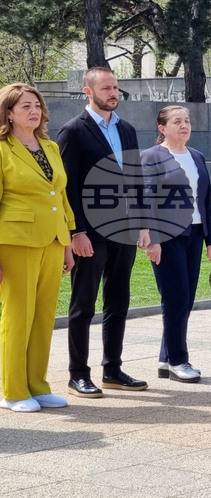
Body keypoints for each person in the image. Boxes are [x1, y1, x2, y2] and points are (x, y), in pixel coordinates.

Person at [57, 66, 147, 398]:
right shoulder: (73, 131)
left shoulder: (127, 129)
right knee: (83, 304)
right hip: (90, 233)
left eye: (116, 88)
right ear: (88, 91)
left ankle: (113, 368)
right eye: (107, 88)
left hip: (123, 229)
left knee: (118, 300)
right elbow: (67, 187)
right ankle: (78, 373)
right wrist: (76, 232)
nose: (113, 93)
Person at [0, 83, 75, 412]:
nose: (34, 111)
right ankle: (13, 390)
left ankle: (37, 385)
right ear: (8, 113)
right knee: (18, 317)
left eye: (37, 106)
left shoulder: (50, 147)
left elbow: (60, 197)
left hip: (54, 240)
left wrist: (68, 243)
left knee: (43, 316)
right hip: (15, 242)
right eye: (26, 106)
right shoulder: (2, 149)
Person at [137, 106, 211, 383]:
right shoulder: (151, 156)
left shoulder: (195, 156)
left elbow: (206, 200)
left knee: (186, 299)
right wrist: (152, 239)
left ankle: (165, 357)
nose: (184, 125)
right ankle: (178, 360)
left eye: (186, 121)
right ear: (162, 128)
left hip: (195, 233)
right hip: (167, 235)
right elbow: (146, 198)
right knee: (175, 298)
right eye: (176, 121)